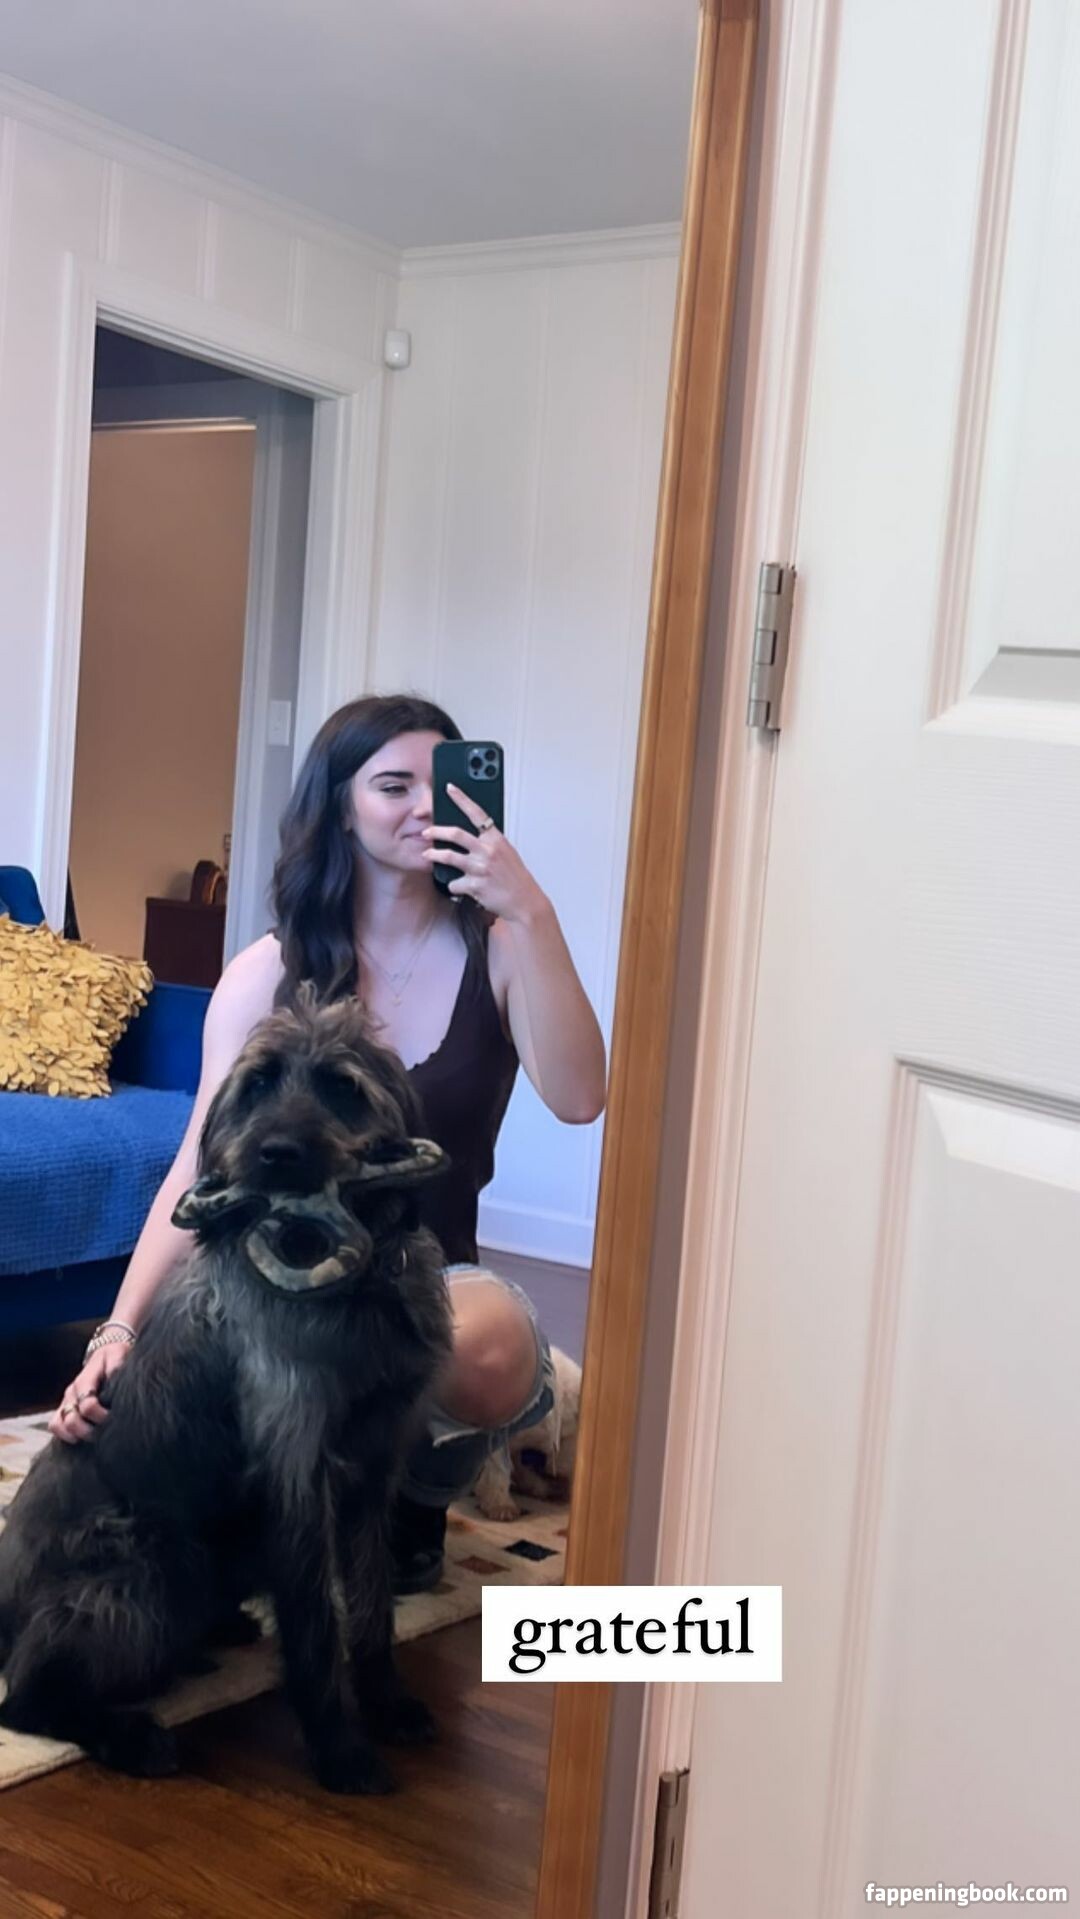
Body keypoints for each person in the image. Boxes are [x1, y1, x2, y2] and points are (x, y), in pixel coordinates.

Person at [50, 693, 607, 1592]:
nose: (423, 806)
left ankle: (401, 1499)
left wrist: (532, 913)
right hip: (273, 1303)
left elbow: (582, 1098)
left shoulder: (502, 948)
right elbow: (200, 1167)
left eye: (438, 785)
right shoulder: (266, 972)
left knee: (493, 1343)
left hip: (423, 1291)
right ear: (340, 807)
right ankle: (269, 1506)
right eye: (393, 785)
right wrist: (116, 1330)